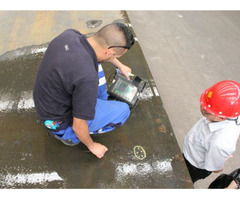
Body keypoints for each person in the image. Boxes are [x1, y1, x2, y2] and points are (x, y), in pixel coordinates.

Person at [33, 22, 135, 159]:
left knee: (96, 65)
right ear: (109, 52)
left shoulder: (70, 35)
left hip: (46, 101)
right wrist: (92, 146)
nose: (115, 59)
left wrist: (120, 65)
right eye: (116, 57)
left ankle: (94, 107)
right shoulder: (87, 78)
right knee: (123, 110)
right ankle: (69, 137)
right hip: (58, 121)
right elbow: (78, 125)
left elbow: (100, 52)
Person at [183, 80, 240, 183]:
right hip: (192, 149)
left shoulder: (221, 143)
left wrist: (221, 158)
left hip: (194, 166)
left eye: (206, 111)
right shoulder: (230, 111)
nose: (202, 107)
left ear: (221, 118)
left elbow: (216, 168)